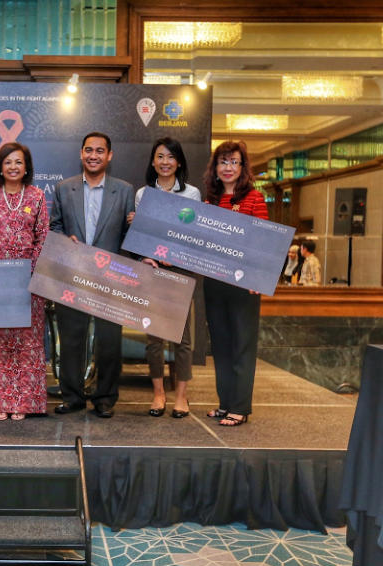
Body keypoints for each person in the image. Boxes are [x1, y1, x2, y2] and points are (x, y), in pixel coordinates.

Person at [50, 132, 135, 419]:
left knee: (109, 341)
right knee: (71, 339)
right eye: (88, 150)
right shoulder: (64, 188)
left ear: (109, 155)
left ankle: (105, 398)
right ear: (81, 153)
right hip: (72, 275)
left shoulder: (124, 191)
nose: (93, 155)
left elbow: (129, 236)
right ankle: (72, 397)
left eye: (100, 150)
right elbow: (54, 227)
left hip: (111, 278)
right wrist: (65, 241)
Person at [0, 142, 49, 421]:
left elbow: (43, 237)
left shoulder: (37, 197)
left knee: (26, 343)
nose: (13, 167)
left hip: (29, 283)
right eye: (8, 162)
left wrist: (27, 271)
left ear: (26, 167)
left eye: (18, 162)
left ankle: (24, 402)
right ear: (0, 167)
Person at [131, 137, 200, 419]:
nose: (165, 162)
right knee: (154, 336)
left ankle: (181, 397)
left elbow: (192, 233)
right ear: (153, 161)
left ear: (179, 162)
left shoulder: (192, 194)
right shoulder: (142, 194)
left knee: (182, 338)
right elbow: (143, 234)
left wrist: (178, 255)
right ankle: (158, 393)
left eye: (170, 157)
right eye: (160, 156)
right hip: (154, 268)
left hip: (181, 269)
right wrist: (145, 257)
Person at [202, 140, 268, 427]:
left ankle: (240, 406)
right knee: (221, 345)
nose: (228, 167)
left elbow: (264, 242)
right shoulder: (208, 202)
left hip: (244, 284)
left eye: (234, 162)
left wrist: (258, 276)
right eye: (223, 162)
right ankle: (225, 402)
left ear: (243, 168)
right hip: (215, 281)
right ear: (215, 168)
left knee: (242, 343)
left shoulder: (254, 198)